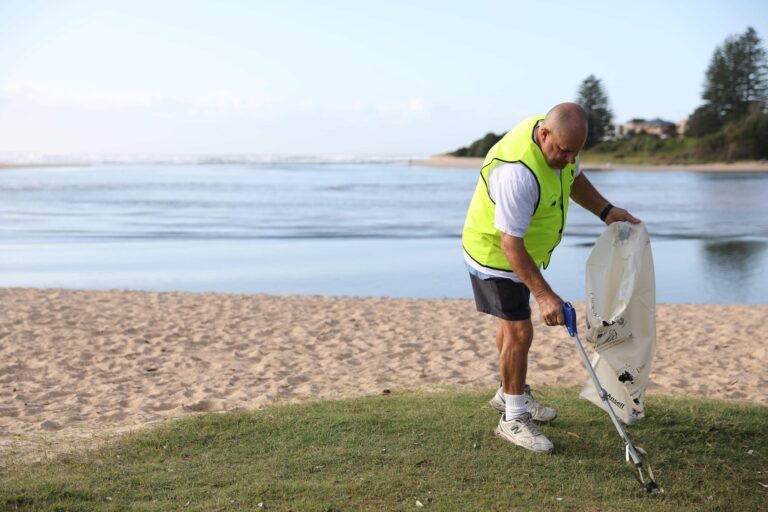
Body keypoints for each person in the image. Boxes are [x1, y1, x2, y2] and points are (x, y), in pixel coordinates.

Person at [462, 102, 640, 453]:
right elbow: (510, 245)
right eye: (563, 151)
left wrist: (605, 211)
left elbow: (572, 179)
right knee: (519, 329)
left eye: (576, 152)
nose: (570, 159)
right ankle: (513, 417)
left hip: (521, 251)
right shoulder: (518, 173)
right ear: (543, 134)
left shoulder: (559, 145)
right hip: (495, 254)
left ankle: (507, 393)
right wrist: (545, 296)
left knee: (510, 324)